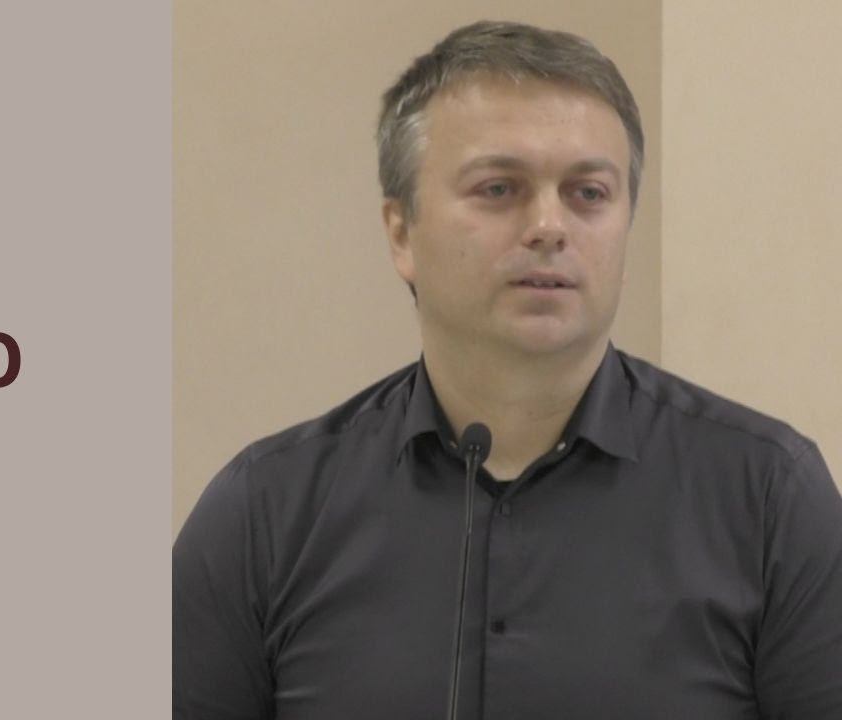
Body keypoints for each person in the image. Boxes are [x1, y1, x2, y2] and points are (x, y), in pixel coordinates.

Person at [173, 20, 842, 720]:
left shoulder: (768, 498)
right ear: (401, 233)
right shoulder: (266, 515)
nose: (550, 225)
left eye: (588, 193)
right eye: (499, 188)